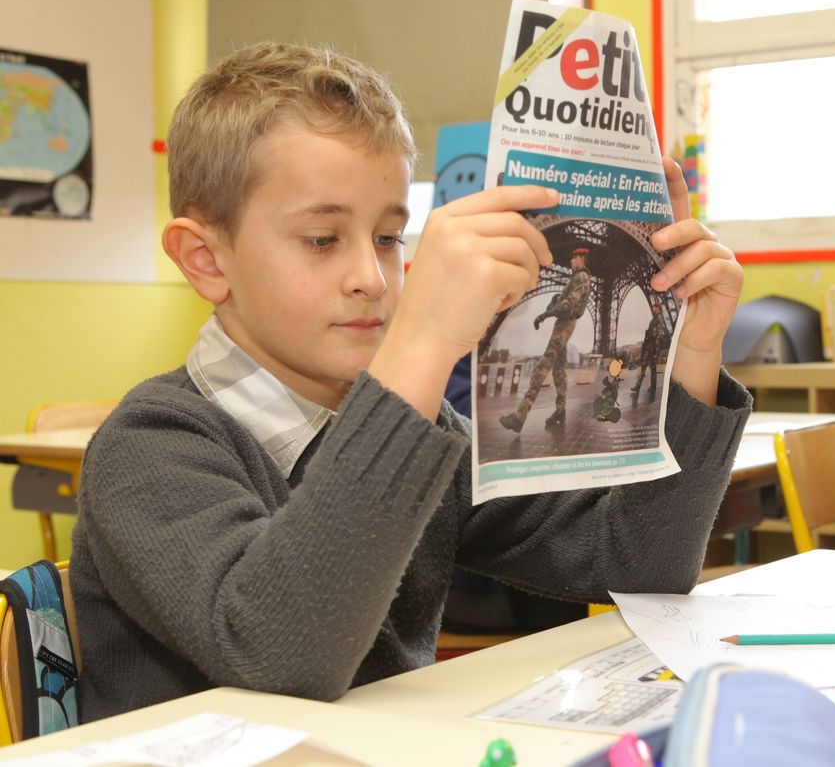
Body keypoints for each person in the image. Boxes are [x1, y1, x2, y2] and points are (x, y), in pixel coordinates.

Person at [71, 42, 750, 720]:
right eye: (321, 239)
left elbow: (636, 565)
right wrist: (422, 342)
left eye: (390, 238)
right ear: (205, 260)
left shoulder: (419, 432)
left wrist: (691, 354)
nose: (371, 278)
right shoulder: (149, 445)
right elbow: (278, 654)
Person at [500, 247, 592, 432]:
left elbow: (569, 303)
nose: (570, 261)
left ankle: (520, 416)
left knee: (542, 366)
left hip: (565, 325)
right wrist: (556, 301)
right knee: (559, 370)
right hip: (564, 324)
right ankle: (560, 411)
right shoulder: (578, 278)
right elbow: (566, 301)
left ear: (581, 259)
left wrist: (545, 314)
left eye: (573, 258)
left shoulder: (581, 277)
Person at [632, 300, 668, 401]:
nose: (653, 308)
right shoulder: (655, 318)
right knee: (646, 365)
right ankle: (639, 386)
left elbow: (659, 333)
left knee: (651, 367)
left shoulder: (659, 317)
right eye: (653, 307)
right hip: (650, 345)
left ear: (657, 308)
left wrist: (656, 347)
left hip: (653, 346)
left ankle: (650, 387)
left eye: (654, 307)